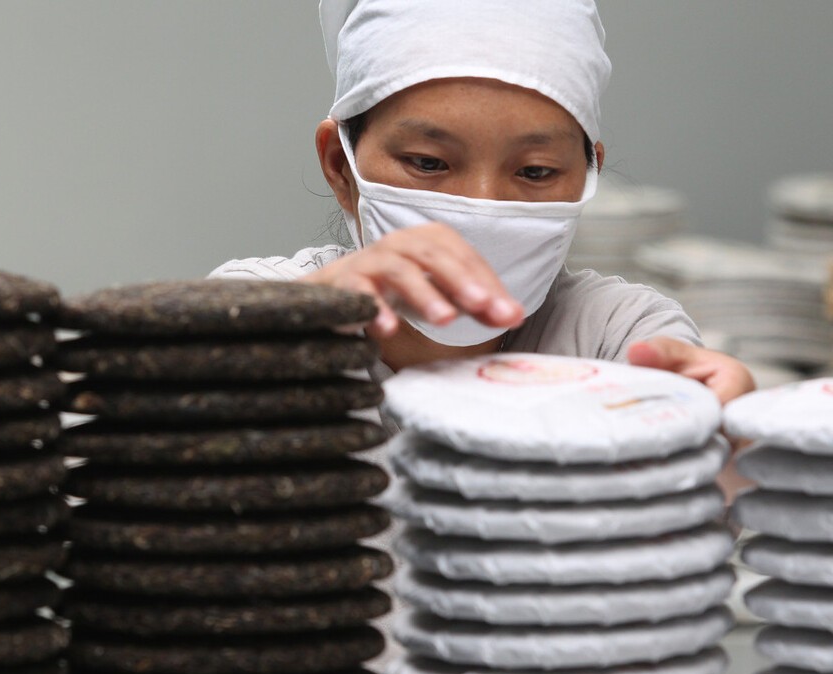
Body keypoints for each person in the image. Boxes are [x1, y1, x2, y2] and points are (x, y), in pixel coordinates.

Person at [211, 0, 755, 406]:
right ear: (339, 165)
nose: (481, 206)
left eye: (535, 171)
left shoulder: (617, 335)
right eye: (428, 162)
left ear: (589, 174)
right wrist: (292, 328)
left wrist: (724, 445)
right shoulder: (252, 306)